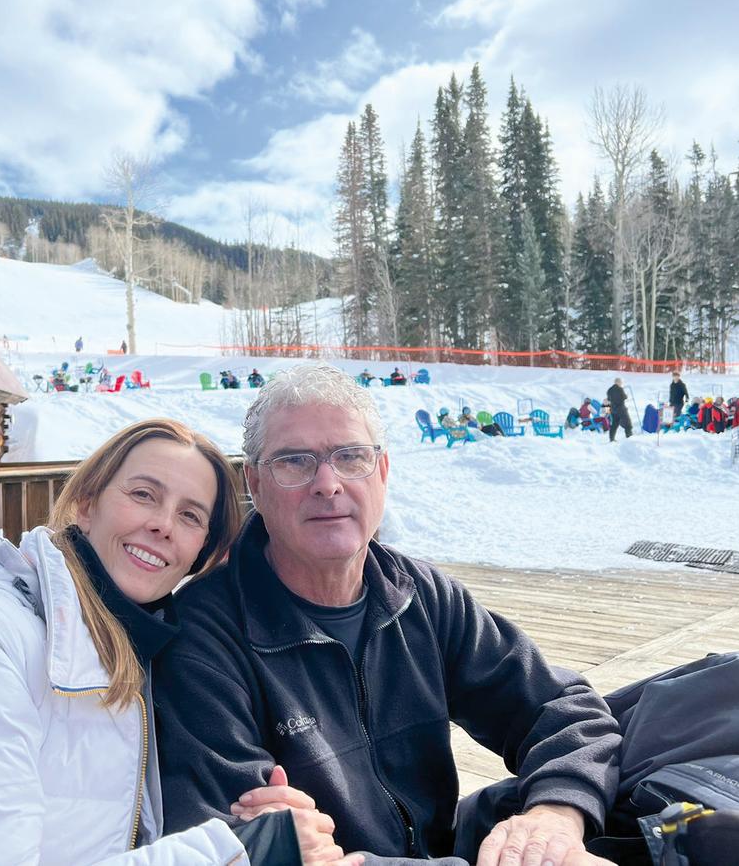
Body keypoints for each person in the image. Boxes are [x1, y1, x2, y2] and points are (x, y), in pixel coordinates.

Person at [0, 418, 356, 865]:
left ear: (201, 552)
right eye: (144, 494)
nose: (163, 525)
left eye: (190, 516)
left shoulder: (126, 647)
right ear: (84, 501)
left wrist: (254, 821)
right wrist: (241, 851)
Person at [154, 363, 620, 866]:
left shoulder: (420, 594)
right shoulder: (203, 640)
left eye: (350, 456)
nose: (327, 484)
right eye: (294, 461)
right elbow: (239, 843)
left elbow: (562, 710)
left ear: (382, 471)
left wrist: (555, 816)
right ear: (256, 485)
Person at [606, 378, 632, 442]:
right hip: (621, 409)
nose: (621, 384)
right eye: (621, 383)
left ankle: (612, 439)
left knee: (614, 424)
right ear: (618, 382)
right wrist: (626, 396)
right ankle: (629, 438)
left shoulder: (609, 390)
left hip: (613, 410)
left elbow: (608, 399)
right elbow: (624, 397)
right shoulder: (620, 389)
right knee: (628, 424)